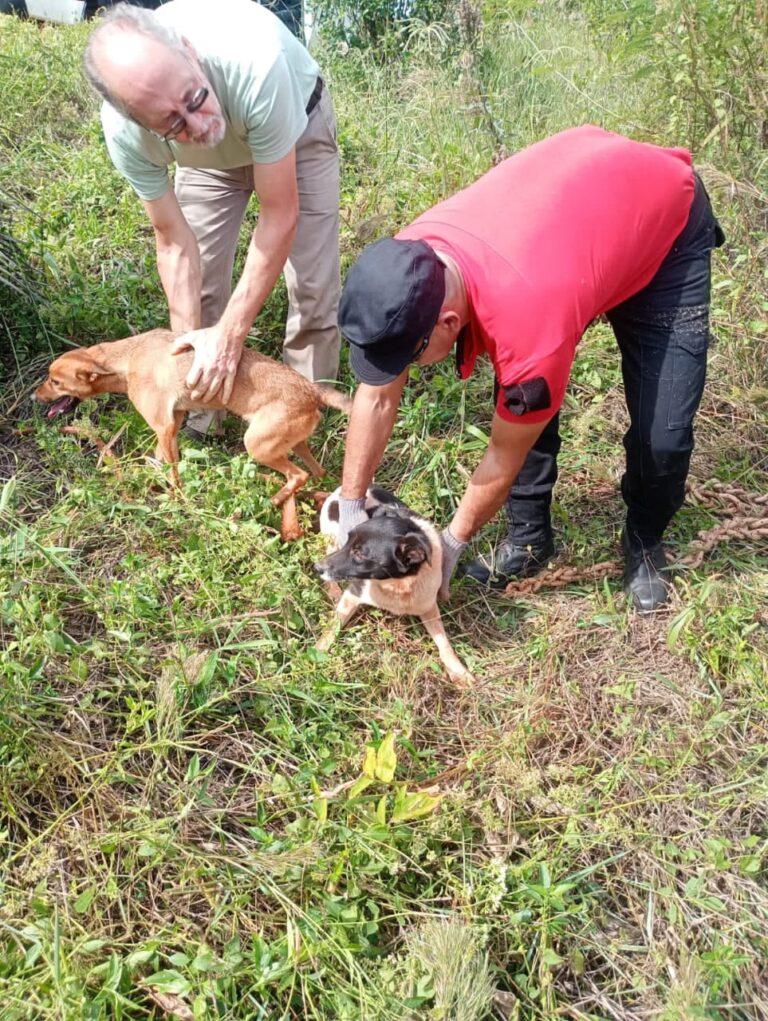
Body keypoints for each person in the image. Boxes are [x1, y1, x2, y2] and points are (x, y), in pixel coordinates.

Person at [335, 125, 725, 612]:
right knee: (523, 390)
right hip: (575, 227)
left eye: (408, 359)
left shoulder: (526, 319)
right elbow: (376, 395)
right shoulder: (411, 266)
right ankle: (529, 538)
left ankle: (645, 540)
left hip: (664, 224)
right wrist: (351, 506)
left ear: (448, 322)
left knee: (661, 436)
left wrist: (449, 549)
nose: (401, 371)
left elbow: (503, 451)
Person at [84, 0, 340, 438]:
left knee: (312, 288)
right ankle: (203, 417)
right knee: (199, 298)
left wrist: (231, 335)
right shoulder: (126, 134)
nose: (197, 124)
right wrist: (191, 350)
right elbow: (174, 242)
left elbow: (279, 215)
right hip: (207, 165)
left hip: (292, 127)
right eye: (171, 123)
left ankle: (299, 415)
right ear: (134, 119)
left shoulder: (256, 65)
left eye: (193, 98)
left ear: (189, 51)